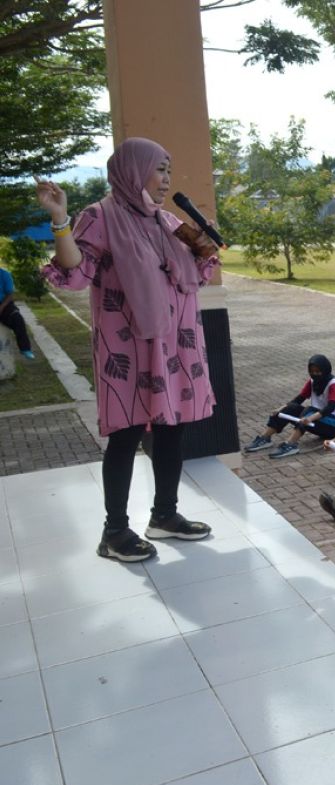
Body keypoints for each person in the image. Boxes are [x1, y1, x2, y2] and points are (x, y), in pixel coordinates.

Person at [37, 138, 219, 561]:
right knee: (127, 434)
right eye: (159, 170)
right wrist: (61, 219)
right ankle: (114, 532)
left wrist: (203, 245)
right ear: (133, 171)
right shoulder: (99, 218)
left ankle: (165, 516)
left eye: (169, 171)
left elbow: (193, 271)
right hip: (129, 348)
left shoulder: (166, 221)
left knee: (173, 428)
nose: (166, 180)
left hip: (175, 345)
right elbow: (75, 272)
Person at [243, 354, 335, 458]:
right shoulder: (313, 381)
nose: (315, 374)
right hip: (322, 422)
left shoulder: (334, 385)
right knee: (290, 407)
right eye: (312, 372)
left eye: (318, 372)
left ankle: (290, 444)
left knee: (309, 411)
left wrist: (310, 418)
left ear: (326, 370)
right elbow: (299, 399)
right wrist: (281, 409)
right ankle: (265, 438)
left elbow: (330, 408)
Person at [0, 266, 35, 359]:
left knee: (17, 318)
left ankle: (25, 349)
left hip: (4, 304)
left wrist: (1, 307)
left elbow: (10, 294)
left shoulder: (4, 275)